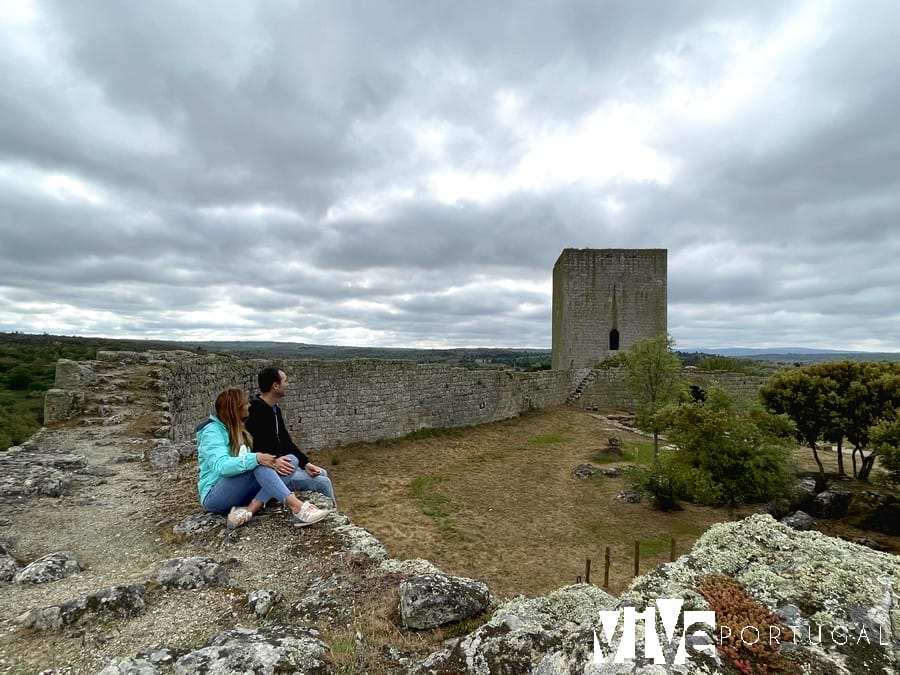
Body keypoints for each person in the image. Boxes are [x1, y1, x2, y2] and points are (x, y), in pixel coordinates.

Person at [196, 387, 330, 529]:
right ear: (236, 408)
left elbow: (246, 459)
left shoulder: (237, 428)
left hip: (241, 492)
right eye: (246, 403)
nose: (250, 405)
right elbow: (221, 466)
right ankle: (297, 507)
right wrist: (257, 458)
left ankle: (249, 510)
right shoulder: (212, 431)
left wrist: (270, 461)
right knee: (259, 463)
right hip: (215, 496)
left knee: (291, 460)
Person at [245, 366, 337, 506]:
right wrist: (275, 462)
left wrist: (305, 463)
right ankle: (333, 521)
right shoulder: (255, 412)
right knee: (323, 482)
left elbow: (286, 442)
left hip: (281, 465)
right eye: (285, 381)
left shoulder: (274, 410)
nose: (287, 385)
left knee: (321, 472)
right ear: (275, 386)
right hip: (269, 472)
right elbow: (254, 448)